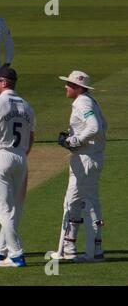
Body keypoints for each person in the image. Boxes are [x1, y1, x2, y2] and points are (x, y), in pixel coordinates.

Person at [0, 67, 35, 267]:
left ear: (4, 82)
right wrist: (22, 154)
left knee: (4, 210)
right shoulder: (27, 106)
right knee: (14, 209)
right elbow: (31, 138)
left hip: (0, 156)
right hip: (21, 157)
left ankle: (17, 254)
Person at [51, 71, 107, 263]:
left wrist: (76, 140)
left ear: (79, 87)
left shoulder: (83, 102)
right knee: (76, 202)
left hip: (86, 158)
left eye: (69, 84)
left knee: (82, 202)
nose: (66, 87)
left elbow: (95, 127)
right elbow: (103, 125)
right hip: (89, 156)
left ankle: (91, 252)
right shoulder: (89, 101)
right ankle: (72, 247)